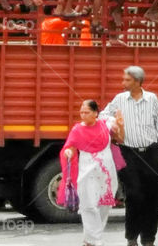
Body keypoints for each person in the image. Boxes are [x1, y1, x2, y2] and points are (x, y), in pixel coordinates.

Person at [101, 66, 158, 246]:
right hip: (127, 153)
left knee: (151, 196)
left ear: (138, 82)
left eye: (127, 80)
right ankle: (131, 237)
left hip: (150, 151)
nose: (123, 83)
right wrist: (113, 125)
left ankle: (148, 239)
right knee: (134, 195)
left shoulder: (152, 99)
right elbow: (102, 116)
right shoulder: (119, 99)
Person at [59, 100, 124, 246]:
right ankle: (94, 240)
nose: (83, 115)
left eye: (86, 112)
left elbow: (119, 135)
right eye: (81, 112)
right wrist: (69, 152)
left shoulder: (106, 124)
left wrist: (119, 125)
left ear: (96, 113)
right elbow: (70, 147)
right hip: (87, 172)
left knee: (104, 205)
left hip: (106, 172)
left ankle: (92, 239)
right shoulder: (77, 129)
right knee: (88, 205)